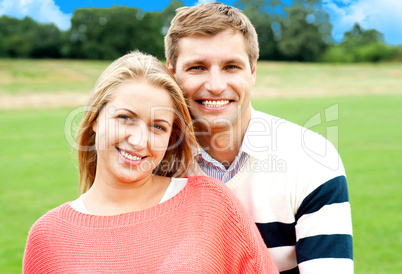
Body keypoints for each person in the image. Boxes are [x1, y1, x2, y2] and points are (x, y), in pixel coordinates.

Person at [23, 51, 279, 273]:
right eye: (125, 117)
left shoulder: (211, 204)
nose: (138, 140)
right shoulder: (48, 236)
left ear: (170, 138)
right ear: (96, 119)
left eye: (157, 126)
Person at [165, 2, 353, 273]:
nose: (216, 86)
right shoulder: (154, 161)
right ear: (172, 74)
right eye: (197, 67)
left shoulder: (312, 158)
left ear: (252, 71)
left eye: (231, 66)